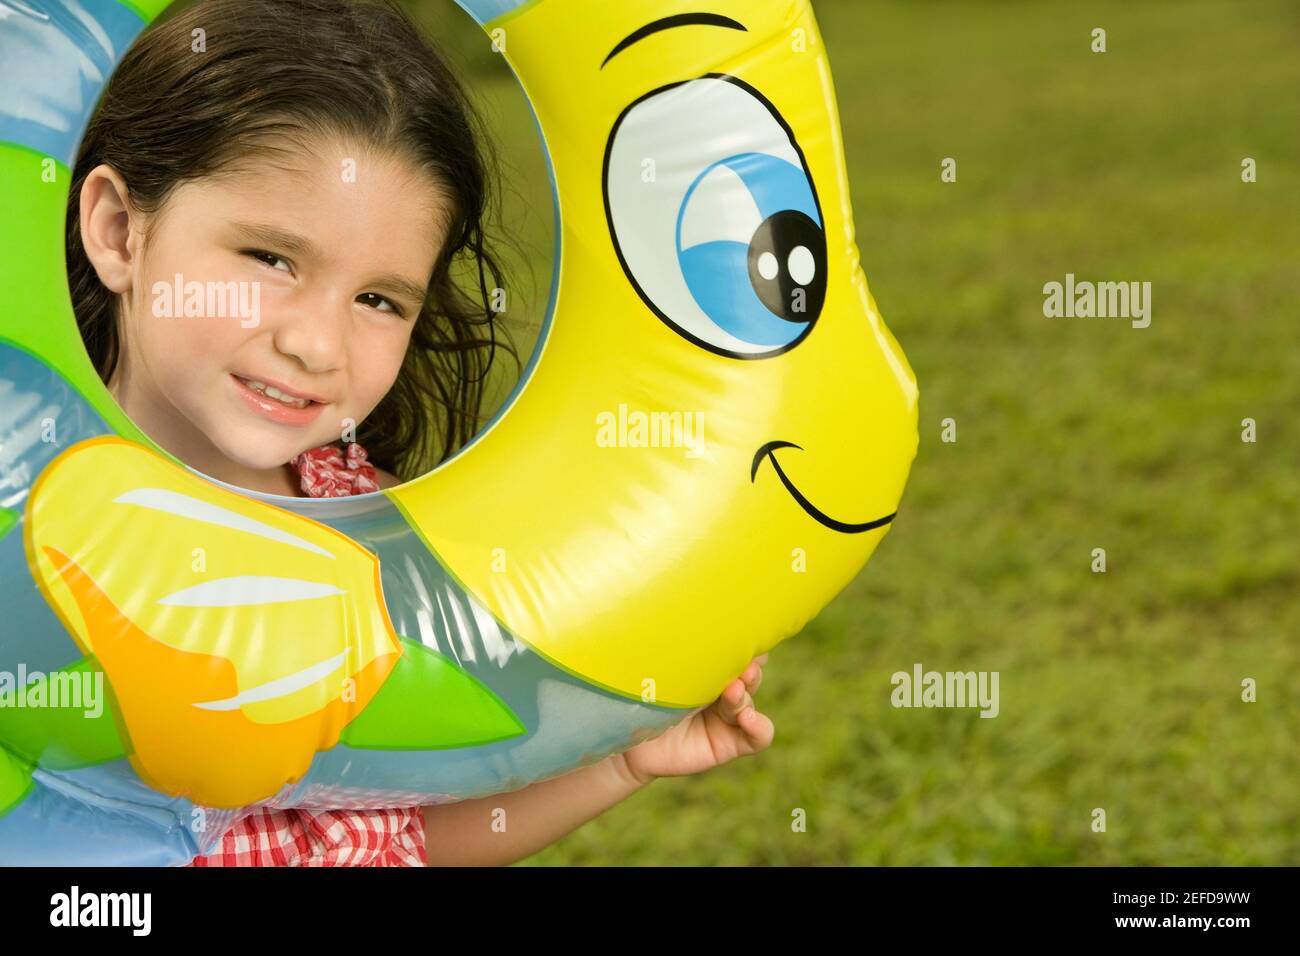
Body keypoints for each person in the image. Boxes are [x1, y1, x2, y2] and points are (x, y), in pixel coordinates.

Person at [66, 0, 773, 866]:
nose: (316, 345)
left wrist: (621, 761)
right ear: (118, 230)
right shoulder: (25, 514)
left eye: (377, 300)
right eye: (270, 259)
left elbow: (402, 835)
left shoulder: (386, 536)